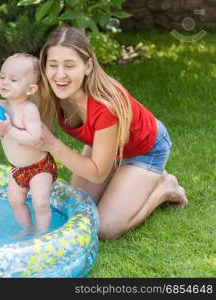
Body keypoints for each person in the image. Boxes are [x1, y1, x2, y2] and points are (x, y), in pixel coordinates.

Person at [29, 26, 188, 240]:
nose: (60, 74)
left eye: (69, 65)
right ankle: (122, 179)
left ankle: (166, 188)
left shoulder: (106, 106)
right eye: (53, 65)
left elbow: (96, 172)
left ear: (88, 66)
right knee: (75, 208)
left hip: (145, 148)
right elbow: (37, 132)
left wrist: (54, 145)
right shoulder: (52, 90)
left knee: (105, 228)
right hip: (104, 144)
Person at [0, 53, 58, 238]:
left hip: (39, 167)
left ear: (30, 89)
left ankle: (43, 235)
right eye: (2, 77)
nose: (5, 82)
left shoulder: (29, 110)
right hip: (17, 168)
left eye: (13, 79)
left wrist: (10, 129)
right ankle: (26, 229)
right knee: (14, 200)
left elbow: (35, 138)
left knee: (40, 203)